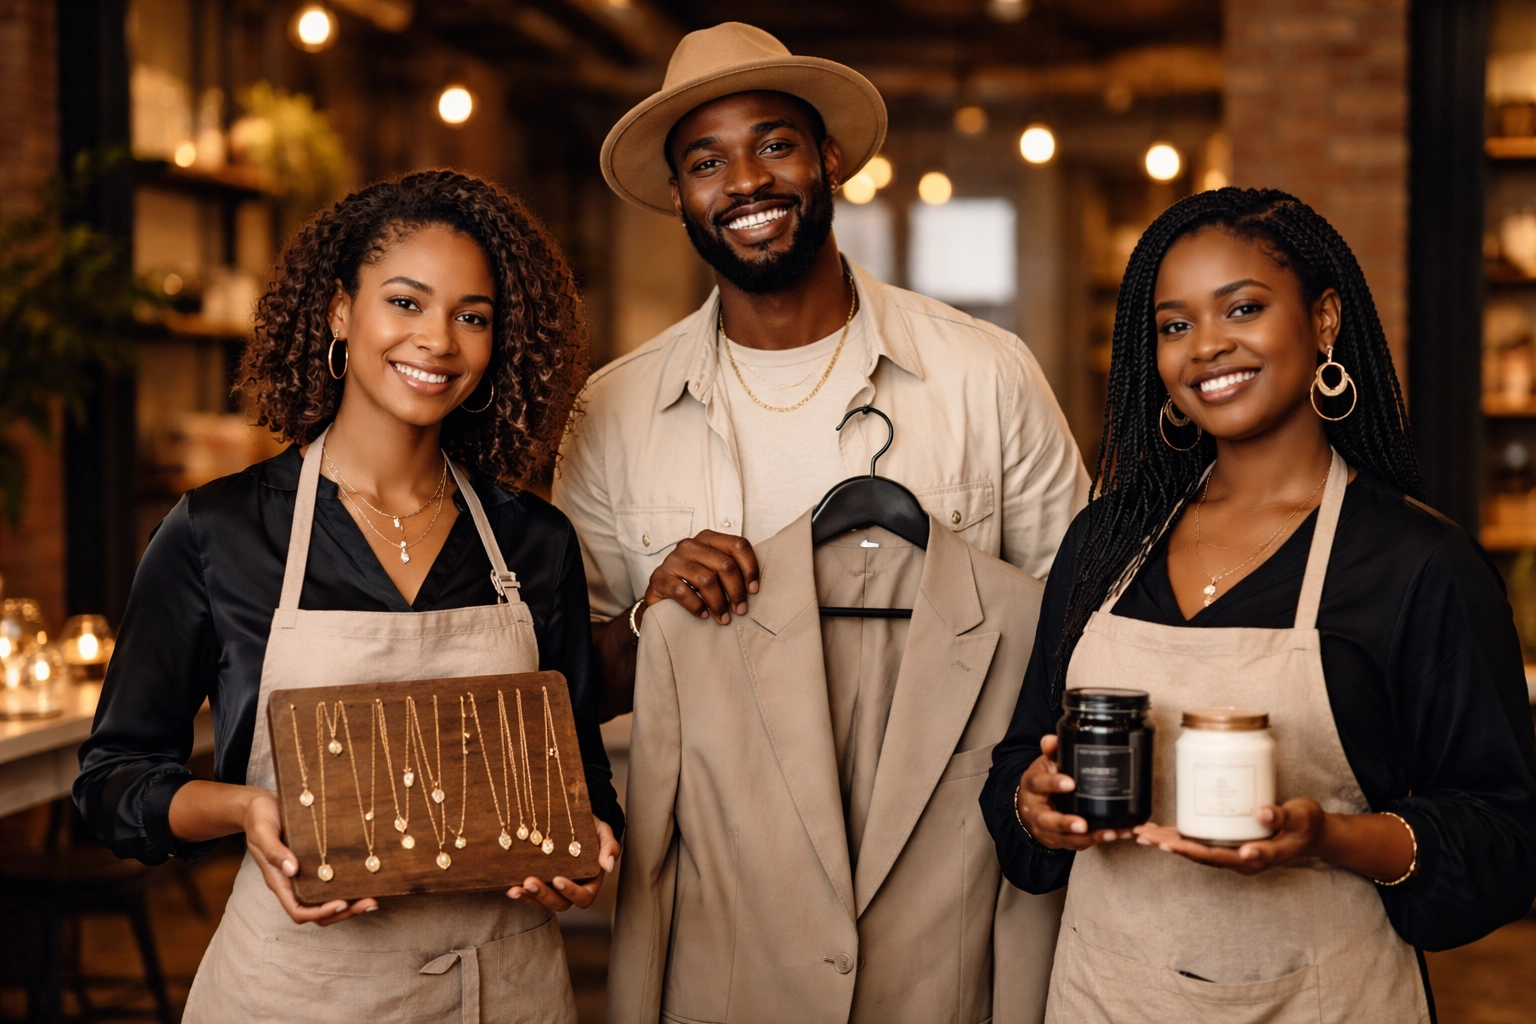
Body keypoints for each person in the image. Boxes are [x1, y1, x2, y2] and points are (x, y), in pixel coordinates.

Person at [74, 170, 622, 1023]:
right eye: (406, 303)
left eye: (471, 316)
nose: (437, 340)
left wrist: (587, 850)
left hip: (507, 992)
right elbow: (112, 783)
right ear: (339, 312)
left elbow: (578, 775)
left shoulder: (530, 541)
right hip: (299, 993)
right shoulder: (220, 534)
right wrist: (246, 811)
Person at [982, 187, 1536, 1021]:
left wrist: (1328, 837)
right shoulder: (1106, 541)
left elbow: (1506, 839)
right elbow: (1019, 761)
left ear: (1323, 322)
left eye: (1242, 308)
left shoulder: (1416, 563)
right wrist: (1033, 805)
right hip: (1104, 997)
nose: (1207, 346)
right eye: (1175, 326)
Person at [553, 22, 1089, 716]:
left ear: (829, 160)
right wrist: (647, 617)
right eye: (707, 163)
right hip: (716, 820)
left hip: (949, 814)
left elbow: (1081, 624)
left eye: (774, 146)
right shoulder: (608, 413)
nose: (747, 181)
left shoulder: (986, 374)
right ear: (679, 193)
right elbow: (575, 683)